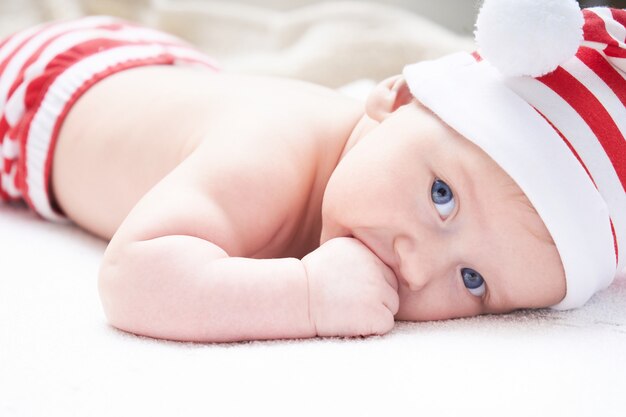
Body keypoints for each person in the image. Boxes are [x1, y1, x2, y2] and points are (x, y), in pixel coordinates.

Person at [0, 0, 623, 343]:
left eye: (474, 280)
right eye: (441, 196)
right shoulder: (266, 156)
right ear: (397, 98)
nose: (417, 266)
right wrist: (304, 297)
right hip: (40, 88)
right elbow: (132, 277)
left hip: (173, 77)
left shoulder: (381, 170)